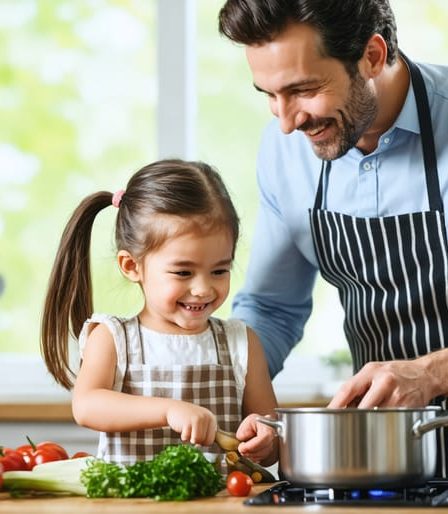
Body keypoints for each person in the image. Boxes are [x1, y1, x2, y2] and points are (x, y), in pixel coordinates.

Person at [218, 0, 448, 474]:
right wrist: (217, 386)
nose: (286, 121)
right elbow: (272, 309)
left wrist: (431, 372)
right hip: (392, 461)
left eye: (303, 89)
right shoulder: (284, 151)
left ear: (372, 55)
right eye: (269, 93)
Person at [40, 159, 277, 466]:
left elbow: (272, 435)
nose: (204, 289)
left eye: (220, 270)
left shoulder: (240, 342)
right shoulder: (113, 339)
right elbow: (86, 406)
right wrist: (168, 410)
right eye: (182, 272)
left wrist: (265, 439)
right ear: (132, 266)